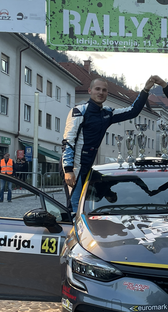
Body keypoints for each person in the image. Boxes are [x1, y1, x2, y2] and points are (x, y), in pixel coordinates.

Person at [63, 76, 155, 212]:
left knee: (86, 204)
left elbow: (133, 111)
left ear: (107, 94)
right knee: (75, 206)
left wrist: (145, 90)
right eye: (97, 89)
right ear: (90, 91)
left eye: (104, 90)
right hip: (76, 165)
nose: (101, 92)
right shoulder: (79, 111)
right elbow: (68, 141)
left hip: (88, 164)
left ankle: (108, 196)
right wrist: (68, 169)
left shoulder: (107, 113)